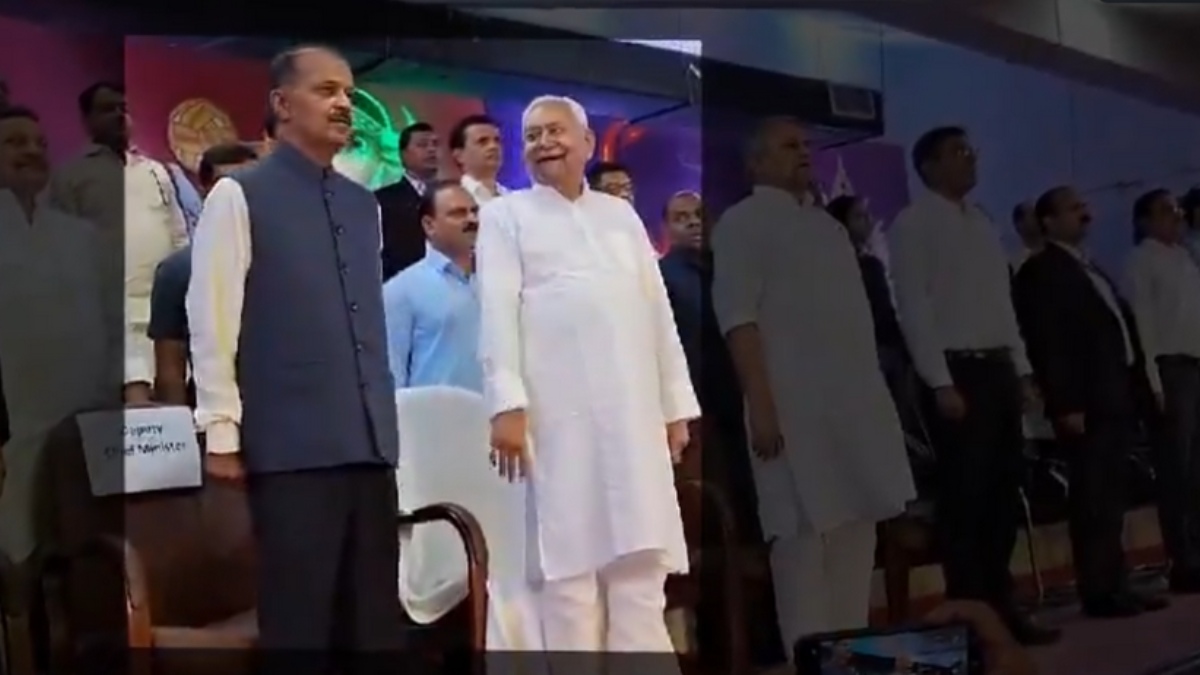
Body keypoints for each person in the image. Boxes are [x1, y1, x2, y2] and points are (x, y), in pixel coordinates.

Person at [187, 45, 403, 672]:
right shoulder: (239, 194)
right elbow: (213, 316)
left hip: (370, 445)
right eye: (326, 90)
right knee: (300, 628)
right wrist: (221, 432)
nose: (343, 104)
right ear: (282, 104)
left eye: (348, 93)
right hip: (291, 448)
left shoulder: (363, 205)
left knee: (374, 629)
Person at [476, 95, 696, 663]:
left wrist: (674, 407)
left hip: (633, 414)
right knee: (568, 571)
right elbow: (496, 311)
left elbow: (657, 314)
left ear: (588, 143)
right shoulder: (506, 216)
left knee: (640, 564)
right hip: (555, 417)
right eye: (532, 135)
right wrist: (506, 403)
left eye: (555, 131)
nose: (543, 142)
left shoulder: (620, 217)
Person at [712, 117, 914, 652]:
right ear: (756, 163)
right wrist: (761, 404)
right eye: (788, 146)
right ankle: (809, 660)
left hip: (854, 408)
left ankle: (847, 659)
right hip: (790, 411)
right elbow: (738, 319)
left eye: (806, 144)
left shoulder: (828, 227)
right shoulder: (742, 223)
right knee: (801, 546)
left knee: (856, 535)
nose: (803, 152)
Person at [887, 126, 1057, 645]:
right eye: (958, 152)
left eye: (970, 151)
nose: (970, 159)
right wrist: (939, 381)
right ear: (929, 166)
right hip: (956, 372)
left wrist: (1022, 369)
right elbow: (913, 307)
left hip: (997, 368)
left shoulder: (981, 222)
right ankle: (970, 616)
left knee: (1004, 493)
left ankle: (1002, 606)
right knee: (967, 498)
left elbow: (1000, 303)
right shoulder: (913, 223)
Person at [1014, 186, 1169, 616]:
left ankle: (1116, 582)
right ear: (1048, 221)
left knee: (1112, 497)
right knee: (1094, 498)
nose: (1085, 213)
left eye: (1084, 206)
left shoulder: (1088, 266)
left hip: (1115, 395)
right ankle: (1099, 590)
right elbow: (1049, 342)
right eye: (1073, 208)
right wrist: (1066, 403)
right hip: (1086, 401)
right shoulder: (1041, 271)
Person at [0, 106, 112, 562]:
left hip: (80, 422)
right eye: (15, 142)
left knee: (77, 551)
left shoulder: (79, 236)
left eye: (40, 144)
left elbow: (106, 320)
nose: (32, 151)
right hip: (13, 426)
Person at [48, 81, 189, 405]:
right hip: (110, 321)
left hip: (165, 317)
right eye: (106, 109)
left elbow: (179, 236)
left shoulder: (156, 171)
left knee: (173, 409)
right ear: (86, 120)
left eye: (122, 108)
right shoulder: (71, 176)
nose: (117, 115)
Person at [1125, 188, 1200, 595]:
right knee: (1176, 470)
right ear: (1145, 220)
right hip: (1171, 369)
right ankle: (1183, 561)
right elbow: (1144, 326)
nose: (1177, 217)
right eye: (1167, 211)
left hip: (1196, 365)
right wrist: (1153, 382)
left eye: (1178, 210)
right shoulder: (1141, 260)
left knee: (1197, 470)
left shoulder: (1186, 257)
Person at [148, 142, 259, 407]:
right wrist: (181, 426)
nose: (237, 195)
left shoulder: (292, 262)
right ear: (205, 190)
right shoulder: (177, 271)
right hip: (213, 411)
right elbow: (170, 368)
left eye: (248, 186)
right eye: (225, 185)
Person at [384, 180, 481, 392]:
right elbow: (392, 371)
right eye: (458, 213)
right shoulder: (402, 290)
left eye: (474, 211)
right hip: (435, 411)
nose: (472, 220)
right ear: (429, 225)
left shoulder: (496, 279)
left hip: (499, 410)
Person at [377, 121, 441, 280]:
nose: (431, 149)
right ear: (402, 154)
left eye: (435, 144)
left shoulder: (452, 196)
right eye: (422, 145)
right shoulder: (382, 200)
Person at [449, 113, 508, 205]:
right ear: (459, 156)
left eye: (497, 140)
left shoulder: (512, 196)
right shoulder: (453, 199)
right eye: (482, 141)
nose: (493, 146)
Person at [1009, 200, 1042, 274]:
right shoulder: (1016, 261)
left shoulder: (1057, 255)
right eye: (1033, 215)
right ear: (1020, 224)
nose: (1039, 219)